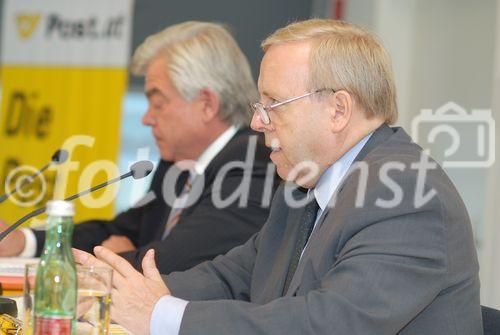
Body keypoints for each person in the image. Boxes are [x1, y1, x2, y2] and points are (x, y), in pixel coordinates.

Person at [73, 19, 482, 334]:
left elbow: (326, 324)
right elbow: (233, 276)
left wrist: (162, 316)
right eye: (258, 104)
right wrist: (117, 292)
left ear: (339, 109)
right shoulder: (305, 185)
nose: (256, 122)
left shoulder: (407, 193)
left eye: (274, 104)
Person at [0, 21, 278, 274]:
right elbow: (120, 229)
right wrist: (23, 242)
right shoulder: (179, 164)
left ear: (206, 104)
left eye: (158, 104)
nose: (146, 119)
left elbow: (174, 262)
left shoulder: (252, 161)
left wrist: (115, 259)